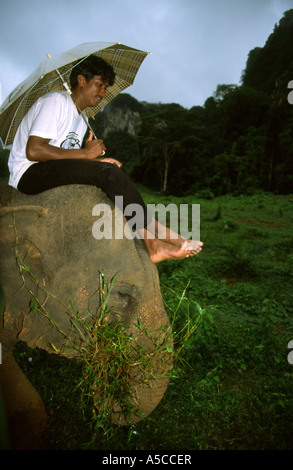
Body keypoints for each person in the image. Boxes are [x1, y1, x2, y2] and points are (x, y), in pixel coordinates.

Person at [8, 55, 203, 263]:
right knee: (108, 172)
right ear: (82, 80)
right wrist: (85, 155)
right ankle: (163, 234)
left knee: (115, 167)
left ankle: (151, 243)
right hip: (29, 174)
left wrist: (93, 160)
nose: (102, 92)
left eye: (105, 88)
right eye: (99, 85)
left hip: (51, 170)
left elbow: (65, 161)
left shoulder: (82, 120)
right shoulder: (56, 101)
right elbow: (35, 151)